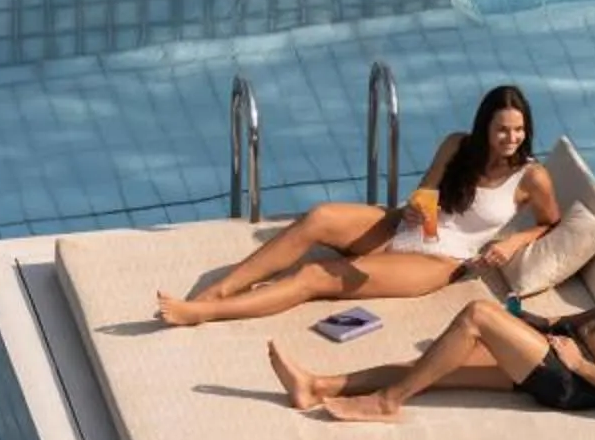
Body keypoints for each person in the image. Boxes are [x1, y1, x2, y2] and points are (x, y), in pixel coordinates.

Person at [269, 191, 595, 423]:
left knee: (478, 316)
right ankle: (316, 386)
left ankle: (387, 404)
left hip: (576, 383)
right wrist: (548, 322)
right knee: (430, 365)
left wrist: (581, 366)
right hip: (559, 348)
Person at [155, 85, 558, 327]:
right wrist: (420, 207)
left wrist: (514, 241)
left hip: (439, 261)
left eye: (519, 129)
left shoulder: (531, 177)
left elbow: (549, 223)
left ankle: (203, 314)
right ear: (484, 126)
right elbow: (426, 192)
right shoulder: (458, 145)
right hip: (404, 227)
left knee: (316, 275)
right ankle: (216, 292)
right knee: (319, 217)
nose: (512, 137)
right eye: (503, 128)